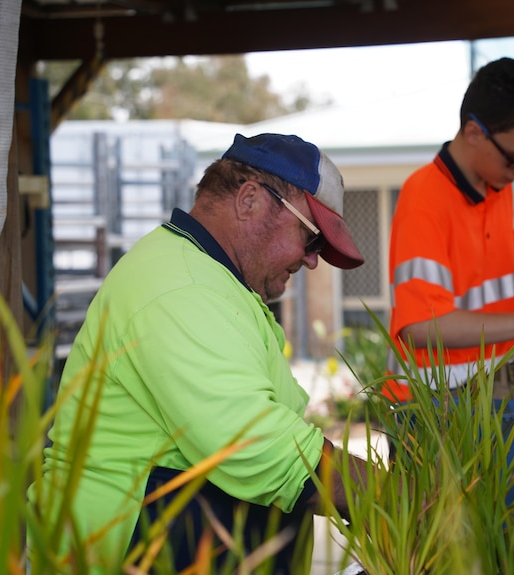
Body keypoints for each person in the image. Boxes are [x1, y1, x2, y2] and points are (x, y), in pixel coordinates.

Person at [28, 133, 370, 574]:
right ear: (250, 200)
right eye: (311, 239)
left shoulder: (213, 280)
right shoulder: (180, 286)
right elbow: (260, 449)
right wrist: (388, 492)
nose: (311, 261)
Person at [385, 57, 514, 402]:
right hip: (433, 400)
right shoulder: (423, 197)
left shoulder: (498, 187)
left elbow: (475, 287)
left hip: (492, 381)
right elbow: (420, 327)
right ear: (473, 132)